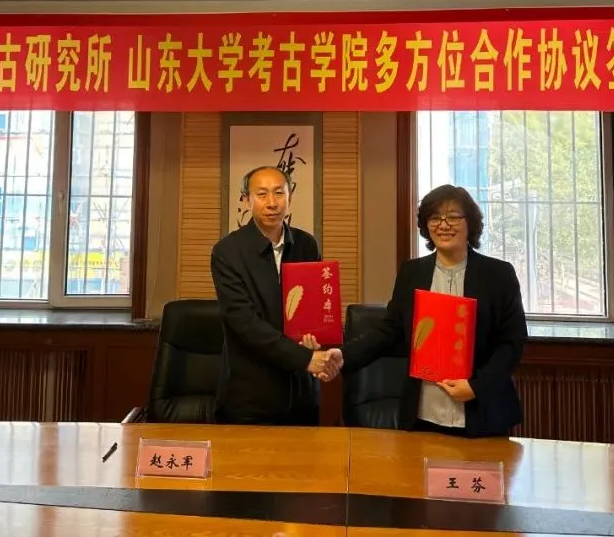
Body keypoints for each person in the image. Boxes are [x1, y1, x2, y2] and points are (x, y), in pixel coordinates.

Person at [329, 184, 528, 437]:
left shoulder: (498, 274)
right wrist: (343, 354)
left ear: (470, 223)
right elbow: (389, 331)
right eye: (435, 218)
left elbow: (511, 342)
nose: (443, 225)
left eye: (453, 217)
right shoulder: (412, 272)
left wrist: (476, 387)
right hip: (424, 413)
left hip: (482, 410)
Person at [210, 165, 336, 426]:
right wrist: (304, 359)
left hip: (301, 393)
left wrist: (317, 340)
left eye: (279, 193)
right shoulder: (227, 251)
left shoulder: (306, 244)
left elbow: (312, 309)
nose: (272, 203)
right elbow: (244, 322)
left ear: (290, 197)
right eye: (262, 194)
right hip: (251, 394)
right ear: (247, 200)